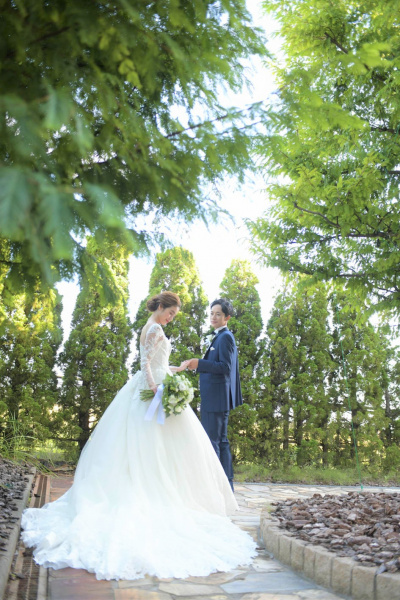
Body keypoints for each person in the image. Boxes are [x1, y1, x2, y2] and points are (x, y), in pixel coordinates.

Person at [21, 291, 256, 581]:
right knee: (150, 447)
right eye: (171, 313)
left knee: (172, 448)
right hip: (150, 391)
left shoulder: (155, 328)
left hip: (157, 384)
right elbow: (146, 364)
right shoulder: (154, 328)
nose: (171, 318)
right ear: (161, 307)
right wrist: (156, 388)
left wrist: (172, 371)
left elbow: (156, 363)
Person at [187, 298, 242, 491]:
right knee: (222, 442)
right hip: (215, 398)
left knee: (213, 444)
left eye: (218, 314)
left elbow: (225, 367)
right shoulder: (218, 336)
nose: (214, 317)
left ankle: (216, 489)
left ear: (227, 317)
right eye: (211, 313)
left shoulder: (225, 337)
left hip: (217, 399)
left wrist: (199, 364)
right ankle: (226, 488)